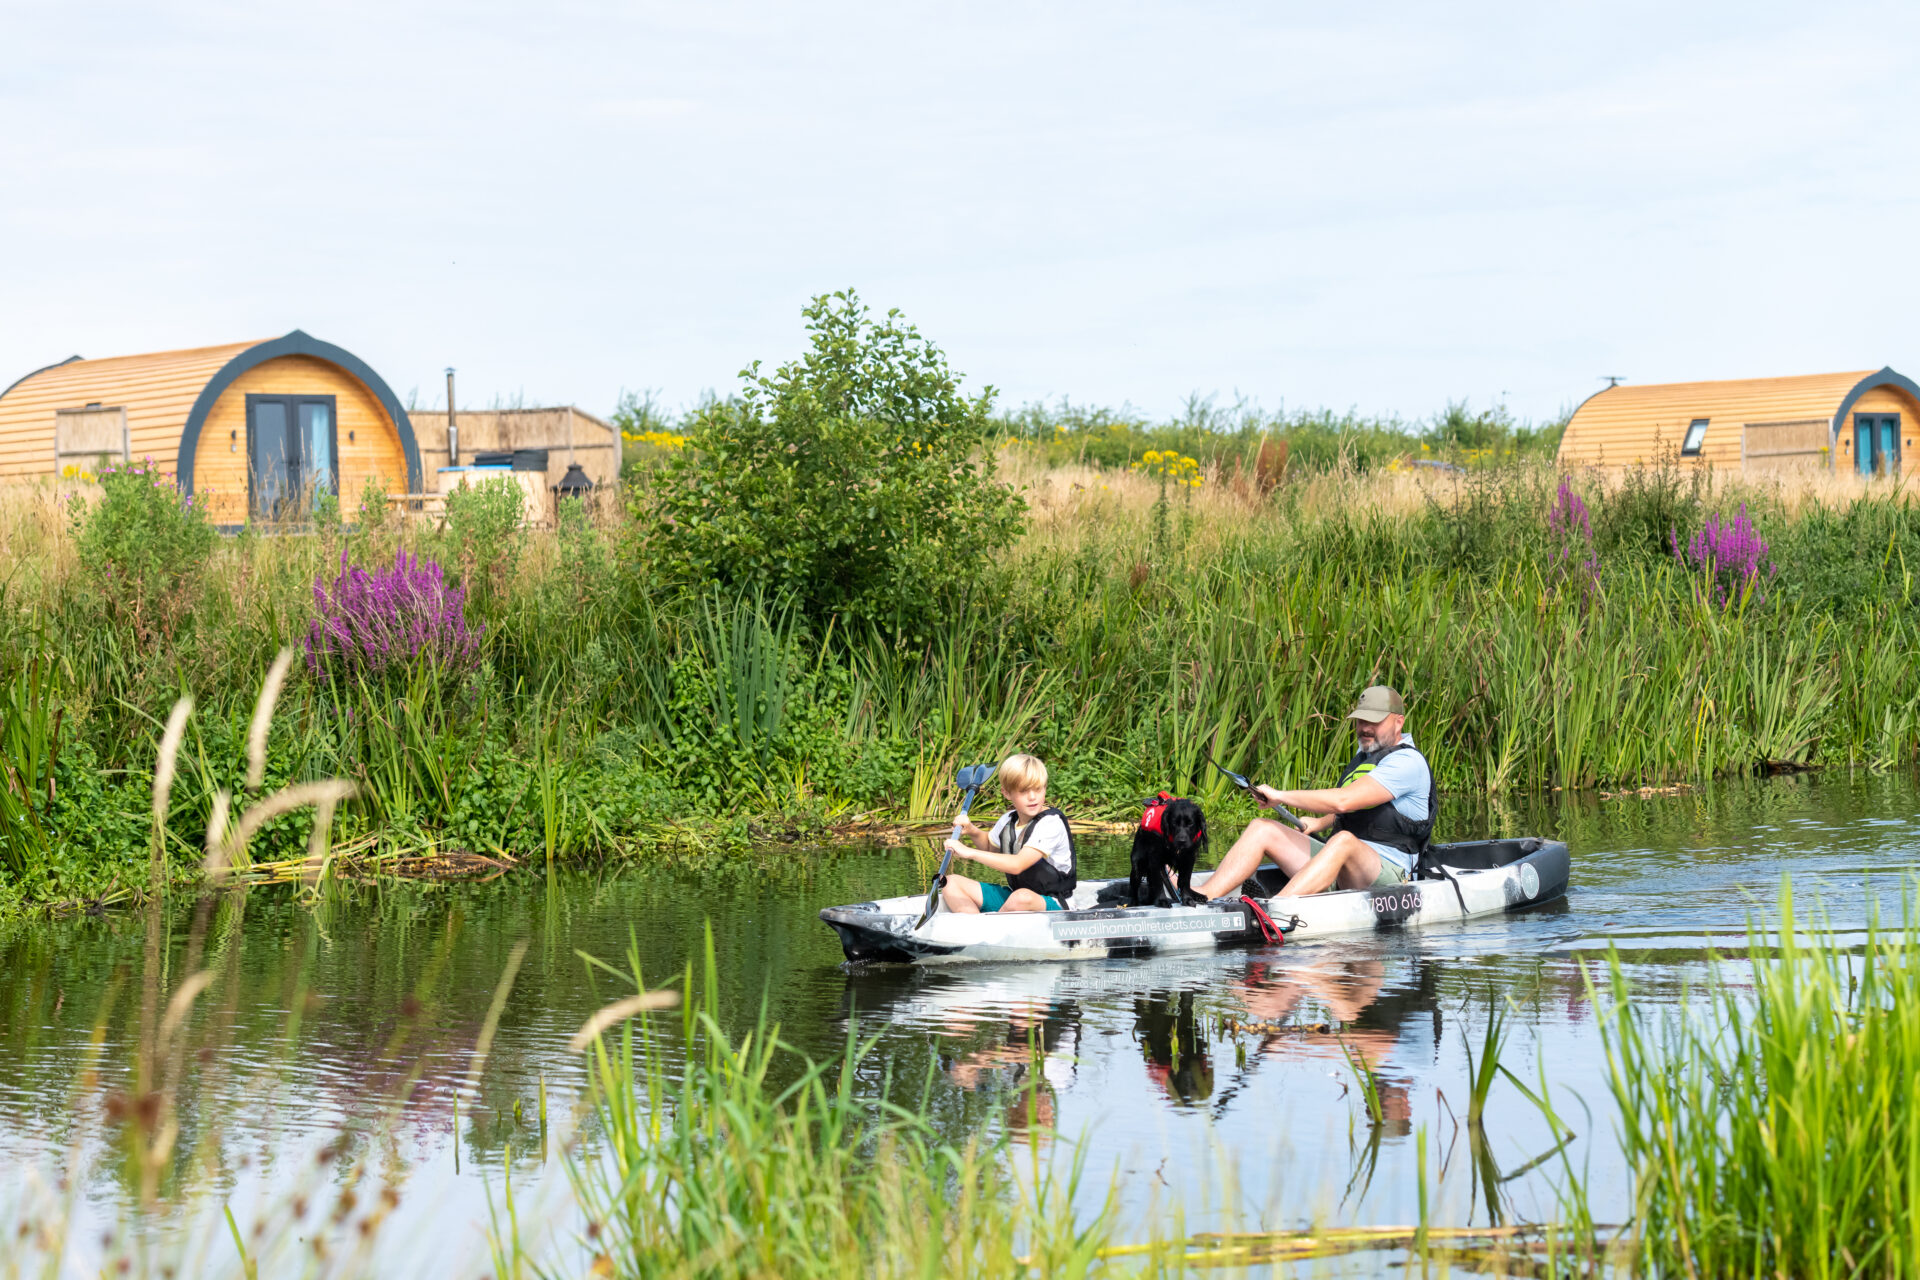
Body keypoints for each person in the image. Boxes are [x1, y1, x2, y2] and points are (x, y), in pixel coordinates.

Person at [1200, 685, 1435, 900]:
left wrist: (1280, 796)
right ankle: (1202, 896)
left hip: (1392, 874)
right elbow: (1365, 808)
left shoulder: (1407, 762)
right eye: (1360, 720)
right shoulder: (1366, 756)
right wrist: (1320, 822)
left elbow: (1344, 801)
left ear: (1399, 722)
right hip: (1340, 862)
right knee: (1262, 828)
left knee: (1343, 841)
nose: (1364, 728)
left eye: (1374, 721)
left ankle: (1275, 908)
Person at [941, 753, 1077, 912]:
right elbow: (989, 847)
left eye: (1038, 789)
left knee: (1021, 898)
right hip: (1015, 897)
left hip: (1054, 903)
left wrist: (968, 852)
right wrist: (971, 830)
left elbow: (1018, 865)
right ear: (1006, 793)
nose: (1032, 797)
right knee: (950, 883)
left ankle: (991, 932)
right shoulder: (1007, 820)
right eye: (1024, 791)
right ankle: (976, 929)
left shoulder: (1051, 823)